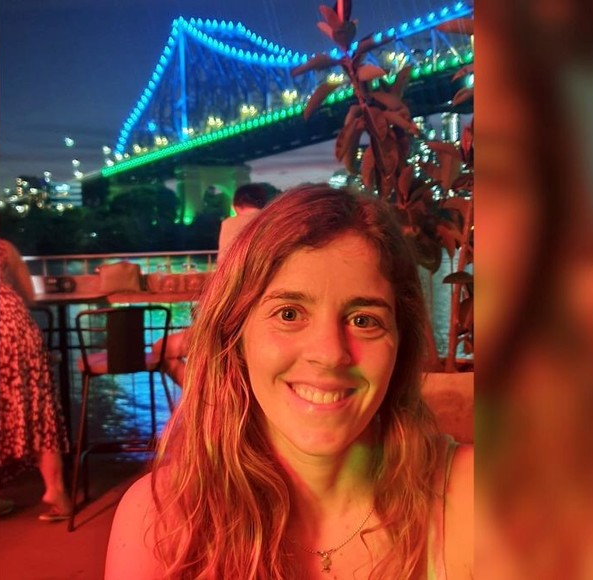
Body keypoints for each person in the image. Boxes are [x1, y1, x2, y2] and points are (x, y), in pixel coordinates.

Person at [107, 185, 473, 579]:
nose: (331, 353)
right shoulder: (158, 522)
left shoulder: (473, 499)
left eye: (364, 320)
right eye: (288, 313)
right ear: (235, 336)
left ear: (401, 345)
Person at [0, 239, 72, 521]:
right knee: (39, 411)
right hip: (14, 324)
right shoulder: (3, 248)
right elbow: (29, 293)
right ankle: (56, 491)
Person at [217, 182, 269, 261]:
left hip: (235, 271)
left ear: (236, 206)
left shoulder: (229, 223)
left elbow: (222, 259)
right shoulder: (271, 220)